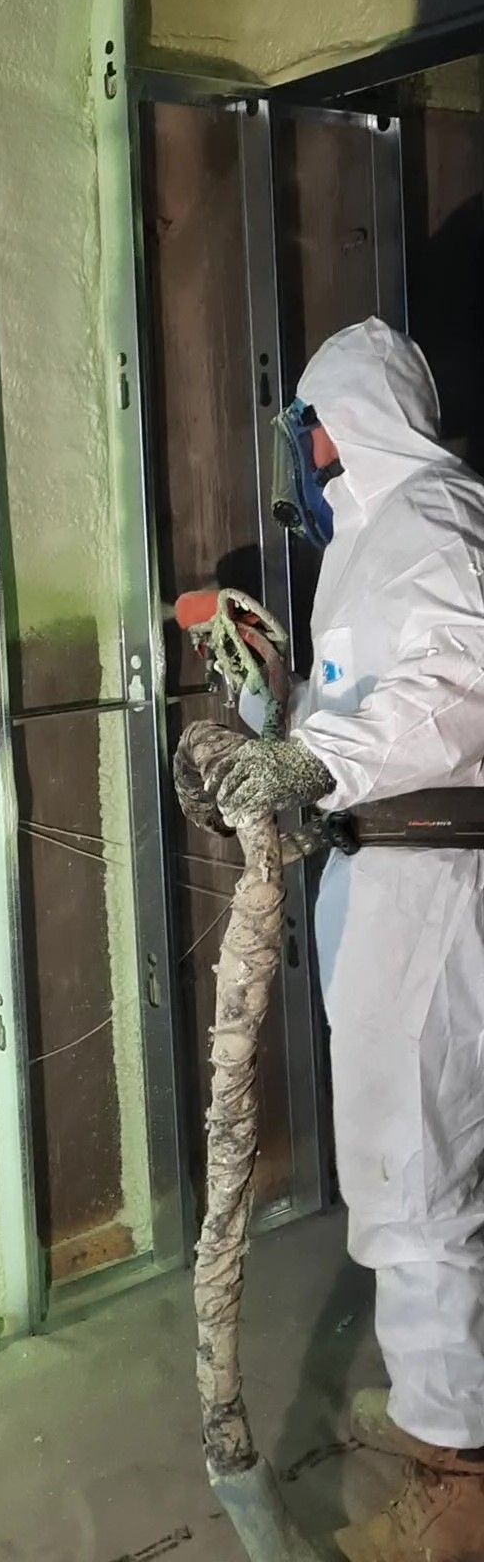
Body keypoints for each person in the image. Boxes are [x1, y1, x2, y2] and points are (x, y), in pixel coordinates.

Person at [207, 317, 484, 1562]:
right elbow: (367, 699)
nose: (304, 458)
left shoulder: (434, 520)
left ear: (346, 421)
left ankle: (458, 1484)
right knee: (408, 1166)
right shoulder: (382, 538)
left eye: (307, 429)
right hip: (387, 877)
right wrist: (284, 714)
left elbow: (458, 696)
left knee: (412, 1178)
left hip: (432, 881)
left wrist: (312, 754)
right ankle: (450, 1401)